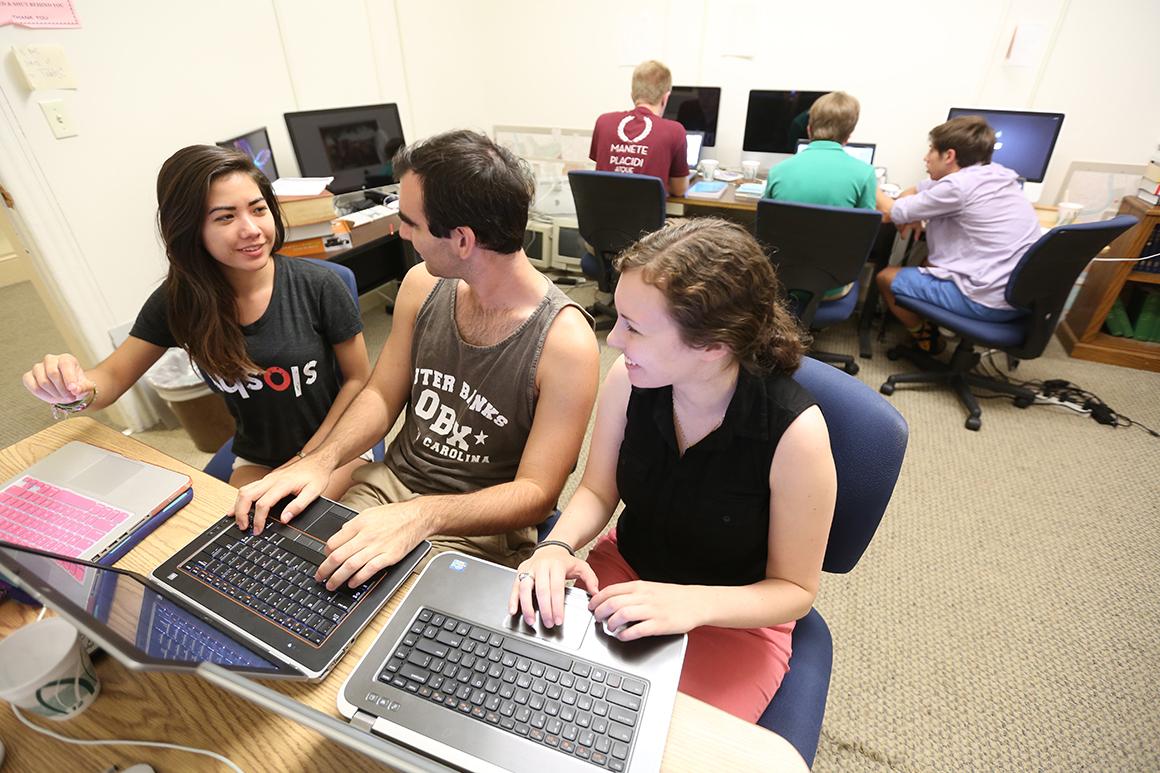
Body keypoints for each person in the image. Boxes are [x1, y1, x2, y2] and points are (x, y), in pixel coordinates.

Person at [233, 130, 600, 592]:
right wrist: (317, 460)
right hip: (389, 490)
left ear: (463, 239)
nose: (400, 231)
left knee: (391, 628)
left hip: (477, 528)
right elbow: (382, 396)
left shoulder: (566, 343)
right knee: (281, 575)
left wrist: (423, 516)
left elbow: (535, 495)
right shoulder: (420, 286)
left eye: (410, 222)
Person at [507, 218, 837, 722]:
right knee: (533, 696)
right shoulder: (632, 379)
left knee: (666, 739)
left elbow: (794, 592)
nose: (614, 340)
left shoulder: (796, 434)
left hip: (734, 613)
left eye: (635, 327)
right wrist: (555, 546)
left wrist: (691, 605)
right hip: (628, 572)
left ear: (713, 344)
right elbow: (598, 491)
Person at [21, 145, 371, 494]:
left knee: (305, 531)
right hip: (259, 457)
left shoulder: (320, 285)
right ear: (191, 229)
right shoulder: (180, 303)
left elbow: (358, 380)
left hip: (335, 444)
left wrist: (309, 457)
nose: (251, 229)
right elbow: (109, 381)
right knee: (241, 537)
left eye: (258, 209)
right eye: (225, 217)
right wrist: (71, 388)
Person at [876, 116, 1040, 352]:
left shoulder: (956, 188)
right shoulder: (996, 174)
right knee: (927, 261)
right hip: (1018, 297)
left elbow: (890, 211)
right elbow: (915, 191)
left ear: (949, 156)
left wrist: (868, 180)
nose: (926, 157)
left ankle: (926, 339)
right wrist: (908, 213)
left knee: (886, 277)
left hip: (986, 299)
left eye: (931, 150)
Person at [762, 91, 880, 301]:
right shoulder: (865, 174)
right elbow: (863, 236)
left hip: (778, 280)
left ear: (808, 128)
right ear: (849, 134)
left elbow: (764, 226)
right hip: (833, 285)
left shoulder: (778, 171)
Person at [590, 59, 690, 196]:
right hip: (647, 217)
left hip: (600, 216)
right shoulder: (675, 131)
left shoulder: (603, 123)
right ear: (666, 98)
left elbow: (604, 172)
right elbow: (679, 190)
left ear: (632, 95)